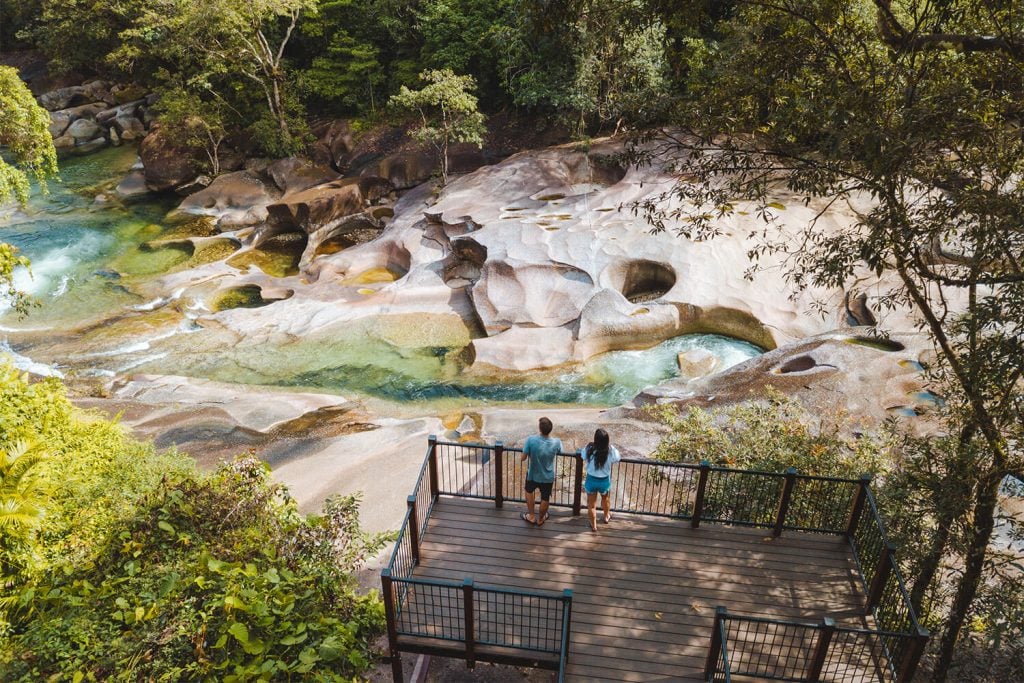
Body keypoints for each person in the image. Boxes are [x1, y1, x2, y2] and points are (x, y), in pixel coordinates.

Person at [521, 416, 562, 526]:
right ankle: (541, 519)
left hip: (533, 474)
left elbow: (523, 458)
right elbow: (560, 451)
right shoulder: (557, 442)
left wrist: (529, 451)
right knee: (545, 497)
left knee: (529, 492)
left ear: (539, 428)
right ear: (550, 429)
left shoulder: (531, 440)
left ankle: (531, 516)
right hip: (548, 476)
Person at [579, 428, 621, 532]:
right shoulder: (609, 451)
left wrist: (589, 446)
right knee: (605, 499)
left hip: (591, 480)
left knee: (591, 505)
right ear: (607, 441)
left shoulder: (589, 449)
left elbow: (582, 455)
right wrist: (612, 447)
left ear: (595, 440)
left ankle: (594, 526)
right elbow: (617, 458)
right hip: (604, 481)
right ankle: (606, 516)